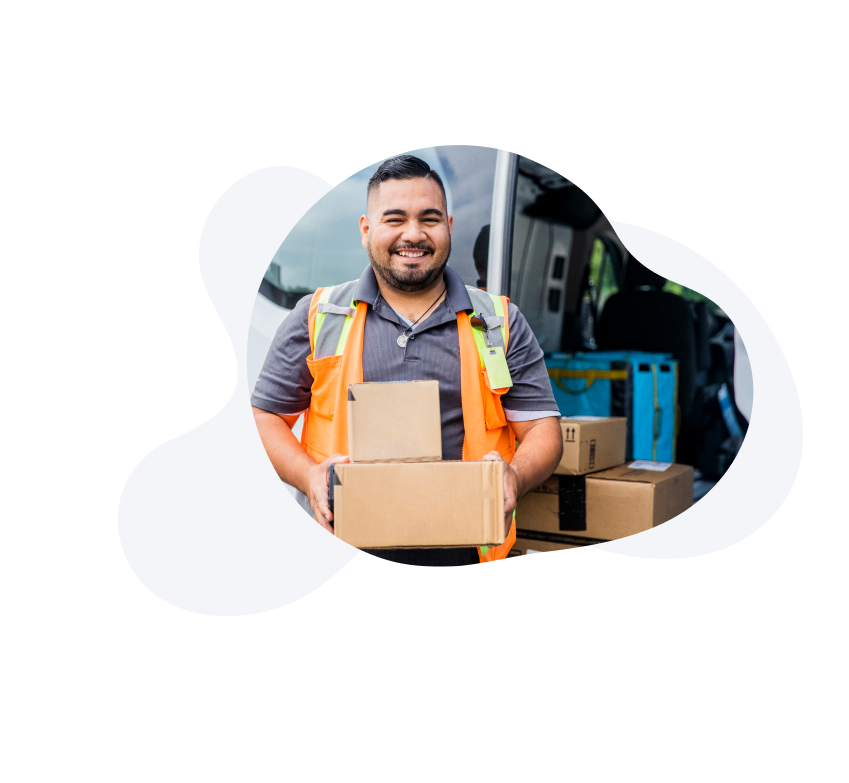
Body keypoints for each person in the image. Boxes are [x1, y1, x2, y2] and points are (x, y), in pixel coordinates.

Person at [251, 154, 563, 566]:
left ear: (449, 227)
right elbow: (264, 418)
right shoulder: (318, 316)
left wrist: (514, 475)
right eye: (394, 219)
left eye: (429, 219)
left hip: (466, 551)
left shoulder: (498, 321)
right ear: (367, 230)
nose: (412, 234)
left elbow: (543, 428)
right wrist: (308, 475)